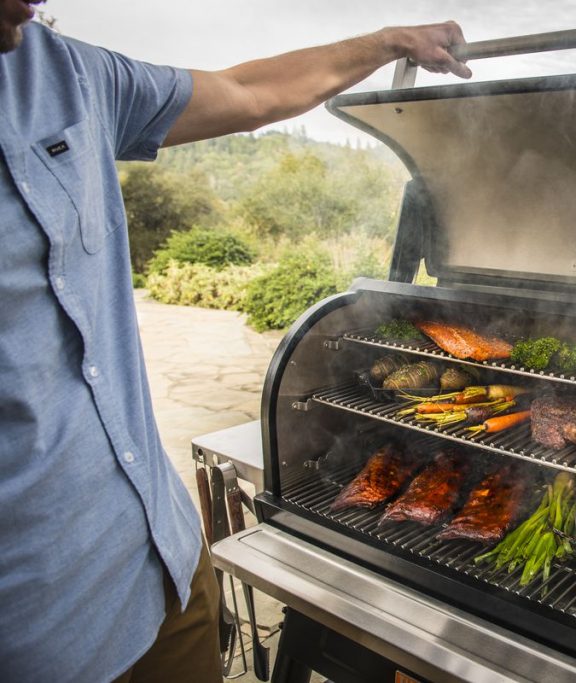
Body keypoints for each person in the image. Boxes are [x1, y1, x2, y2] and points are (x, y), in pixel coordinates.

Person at [0, 2, 471, 680]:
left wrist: (390, 41)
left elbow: (248, 93)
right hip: (32, 632)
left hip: (157, 557)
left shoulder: (66, 74)